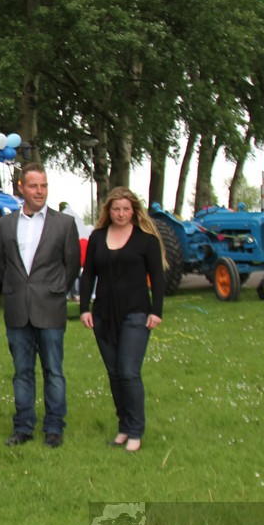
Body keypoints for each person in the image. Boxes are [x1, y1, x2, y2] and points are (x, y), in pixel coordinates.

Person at [0, 163, 81, 448]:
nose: (40, 191)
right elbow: (1, 264)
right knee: (22, 372)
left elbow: (72, 265)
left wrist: (55, 290)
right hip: (18, 309)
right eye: (33, 186)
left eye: (44, 186)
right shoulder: (5, 225)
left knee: (53, 371)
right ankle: (23, 427)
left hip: (50, 308)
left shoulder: (64, 224)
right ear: (21, 188)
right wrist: (16, 290)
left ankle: (54, 427)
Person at [79, 187, 166, 453]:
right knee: (115, 373)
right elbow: (88, 274)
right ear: (109, 211)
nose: (120, 214)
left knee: (129, 371)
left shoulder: (146, 240)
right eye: (116, 209)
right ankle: (124, 427)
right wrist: (84, 308)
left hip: (136, 314)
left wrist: (156, 311)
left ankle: (136, 431)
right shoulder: (97, 238)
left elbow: (158, 278)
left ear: (133, 211)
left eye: (126, 209)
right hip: (103, 315)